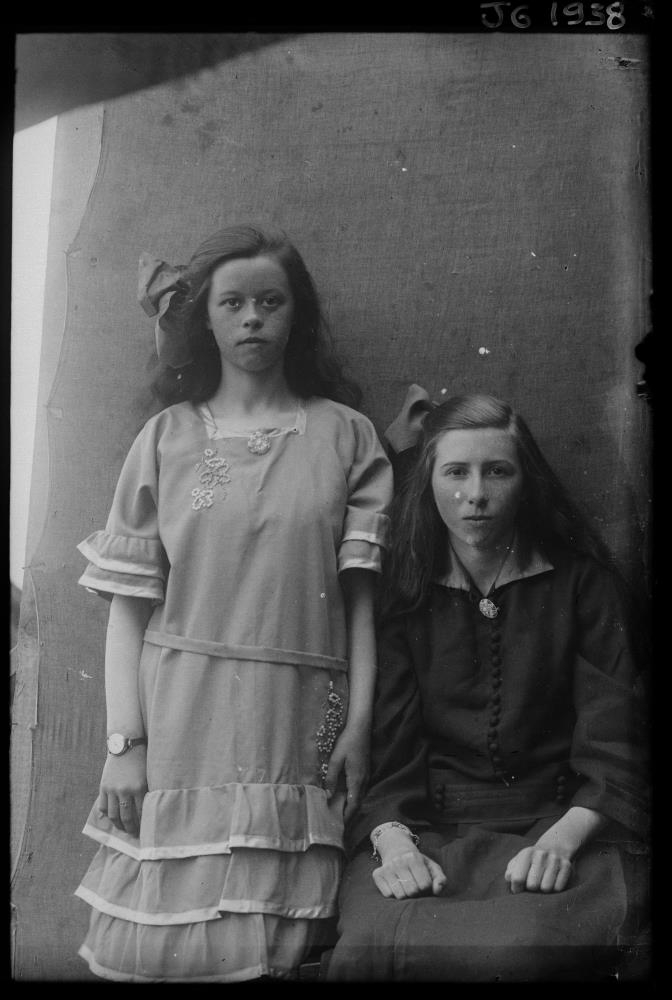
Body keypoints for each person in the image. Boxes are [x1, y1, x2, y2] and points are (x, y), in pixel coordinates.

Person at [73, 224, 393, 982]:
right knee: (173, 929)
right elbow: (128, 610)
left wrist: (359, 726)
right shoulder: (166, 438)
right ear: (207, 320)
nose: (253, 318)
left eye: (271, 302)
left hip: (302, 712)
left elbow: (361, 605)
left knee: (278, 936)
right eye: (234, 303)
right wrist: (125, 745)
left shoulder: (347, 437)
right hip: (183, 711)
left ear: (296, 315)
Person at [327, 390, 649, 982]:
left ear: (526, 482)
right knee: (371, 946)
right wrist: (396, 846)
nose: (476, 494)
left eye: (497, 471)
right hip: (429, 833)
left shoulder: (584, 587)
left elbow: (614, 741)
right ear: (428, 483)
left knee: (518, 951)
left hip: (567, 829)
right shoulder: (404, 597)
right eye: (456, 472)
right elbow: (389, 758)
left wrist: (561, 842)